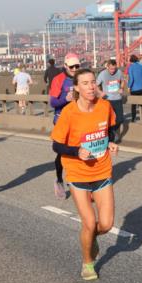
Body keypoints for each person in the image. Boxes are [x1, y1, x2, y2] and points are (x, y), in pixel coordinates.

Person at [50, 67, 119, 281]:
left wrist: (112, 142)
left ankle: (91, 239)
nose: (91, 87)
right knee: (89, 223)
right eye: (86, 83)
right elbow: (56, 145)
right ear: (77, 88)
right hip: (78, 174)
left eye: (93, 82)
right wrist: (76, 151)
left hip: (102, 171)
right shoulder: (69, 112)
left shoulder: (105, 106)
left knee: (105, 225)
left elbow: (110, 129)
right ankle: (87, 263)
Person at [49, 54, 81, 199]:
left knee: (80, 149)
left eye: (77, 66)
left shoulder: (81, 78)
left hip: (79, 119)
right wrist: (65, 99)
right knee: (63, 152)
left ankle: (79, 181)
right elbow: (53, 102)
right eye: (72, 66)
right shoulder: (58, 80)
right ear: (66, 66)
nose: (75, 69)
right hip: (61, 120)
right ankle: (59, 179)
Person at [96, 59, 125, 139]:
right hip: (107, 100)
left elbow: (123, 81)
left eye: (114, 69)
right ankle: (110, 135)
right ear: (107, 67)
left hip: (118, 99)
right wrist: (100, 92)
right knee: (108, 120)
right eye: (111, 69)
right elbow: (96, 85)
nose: (113, 71)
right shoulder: (102, 74)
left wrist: (122, 88)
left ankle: (112, 130)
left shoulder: (119, 72)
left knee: (120, 119)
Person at [126, 54, 142, 123]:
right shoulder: (141, 66)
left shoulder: (131, 67)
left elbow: (131, 79)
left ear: (130, 60)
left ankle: (133, 118)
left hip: (134, 89)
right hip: (141, 88)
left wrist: (129, 86)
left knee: (134, 105)